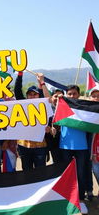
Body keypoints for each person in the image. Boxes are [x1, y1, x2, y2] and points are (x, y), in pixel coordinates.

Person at [53, 85, 88, 213]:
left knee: (80, 174)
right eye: (69, 94)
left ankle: (81, 200)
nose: (72, 96)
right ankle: (67, 199)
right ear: (66, 95)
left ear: (79, 94)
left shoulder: (84, 108)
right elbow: (55, 122)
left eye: (74, 94)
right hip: (65, 146)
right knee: (66, 175)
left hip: (82, 146)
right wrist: (58, 101)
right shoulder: (61, 106)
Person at [15, 71, 50, 170]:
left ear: (39, 96)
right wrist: (20, 74)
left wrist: (41, 82)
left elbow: (47, 98)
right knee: (27, 172)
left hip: (40, 146)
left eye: (35, 94)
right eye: (30, 94)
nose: (32, 96)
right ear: (26, 96)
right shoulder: (23, 105)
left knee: (40, 172)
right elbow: (17, 90)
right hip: (24, 146)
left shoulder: (43, 106)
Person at [89, 87, 99, 198]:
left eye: (98, 96)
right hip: (94, 149)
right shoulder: (86, 111)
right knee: (96, 172)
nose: (96, 98)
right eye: (94, 96)